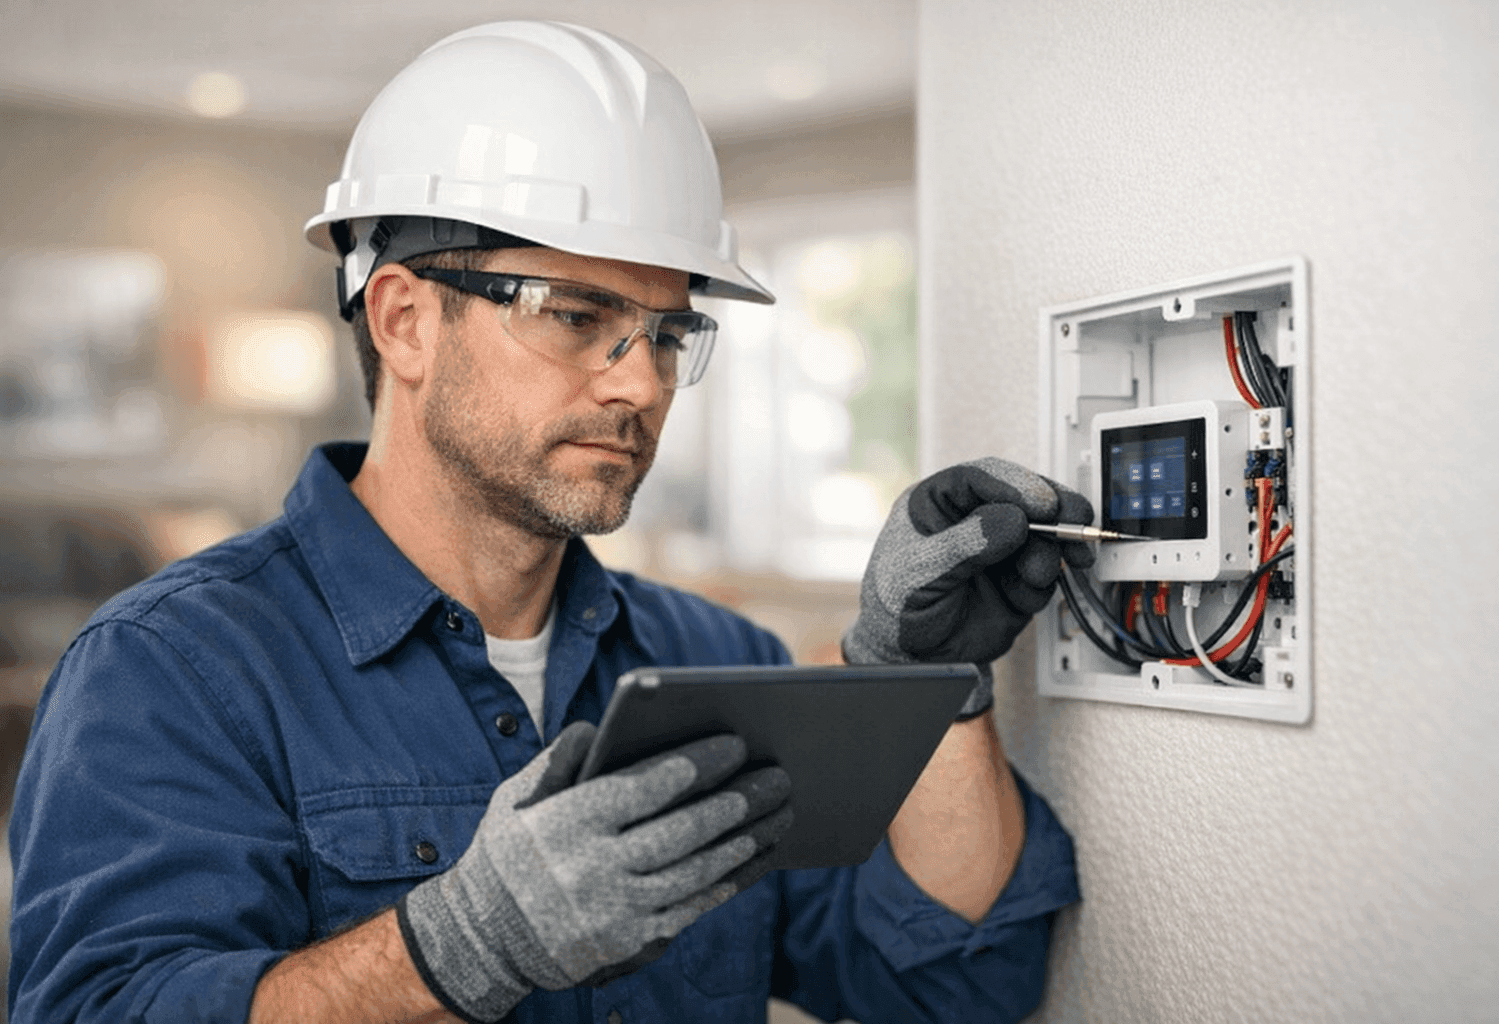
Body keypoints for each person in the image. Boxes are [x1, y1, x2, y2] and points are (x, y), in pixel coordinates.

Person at [7, 21, 1095, 1024]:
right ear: (403, 321)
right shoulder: (172, 670)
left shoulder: (714, 662)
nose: (642, 384)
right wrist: (453, 950)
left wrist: (927, 683)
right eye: (576, 316)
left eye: (667, 335)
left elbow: (956, 978)